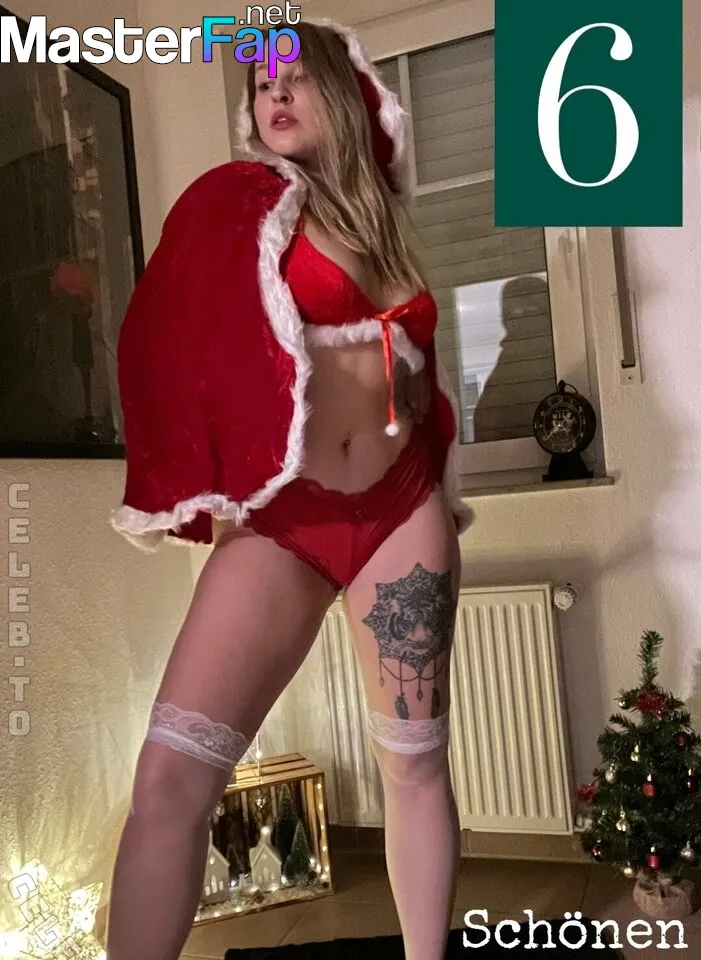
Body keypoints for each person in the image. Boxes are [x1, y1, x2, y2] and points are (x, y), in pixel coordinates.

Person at [106, 18, 472, 960]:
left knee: (415, 769)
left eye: (295, 79)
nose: (273, 94)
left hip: (400, 510)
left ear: (341, 96)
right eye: (261, 83)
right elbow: (166, 333)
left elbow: (416, 380)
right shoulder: (241, 204)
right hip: (285, 521)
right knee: (169, 785)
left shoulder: (385, 226)